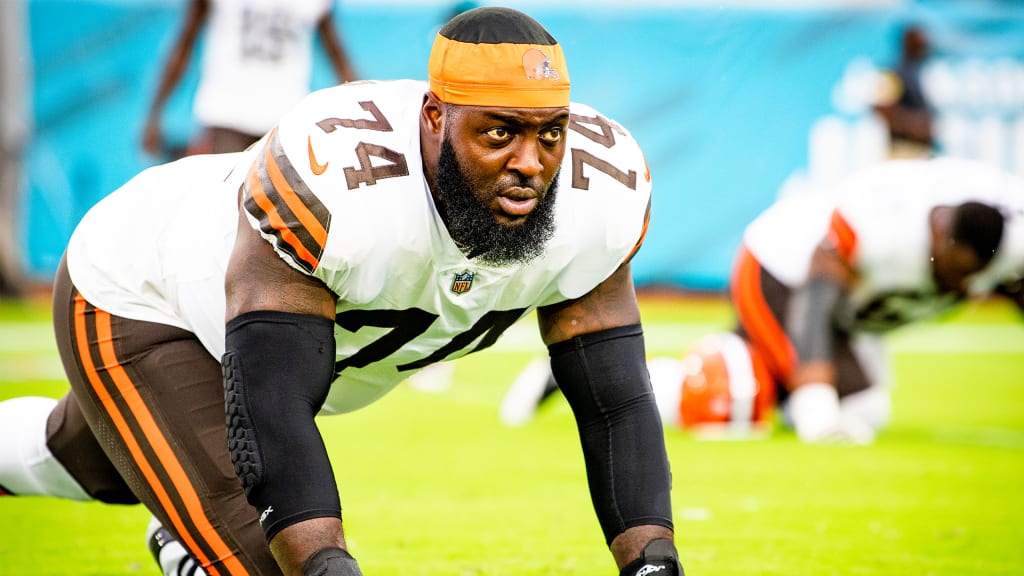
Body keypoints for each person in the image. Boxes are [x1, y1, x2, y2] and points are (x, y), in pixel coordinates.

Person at [0, 7, 682, 576]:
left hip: (260, 359)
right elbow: (273, 403)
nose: (530, 164)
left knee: (79, 460)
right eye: (499, 133)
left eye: (549, 135)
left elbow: (615, 401)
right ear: (435, 116)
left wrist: (654, 563)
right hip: (145, 294)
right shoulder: (337, 182)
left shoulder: (597, 196)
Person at [503, 157, 1024, 445]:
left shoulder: (1006, 242)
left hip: (850, 314)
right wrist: (815, 394)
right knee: (784, 403)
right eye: (958, 269)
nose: (965, 284)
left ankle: (588, 382)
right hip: (780, 269)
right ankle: (572, 380)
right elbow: (817, 298)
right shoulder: (885, 220)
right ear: (942, 238)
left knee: (861, 409)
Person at [142, 0, 359, 158]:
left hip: (283, 122)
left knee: (281, 214)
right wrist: (155, 112)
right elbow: (185, 44)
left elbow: (337, 55)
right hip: (228, 116)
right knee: (226, 208)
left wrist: (361, 117)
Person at [873, 25, 934, 158]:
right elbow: (880, 107)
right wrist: (913, 125)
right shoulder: (893, 72)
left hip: (921, 153)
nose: (924, 46)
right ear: (908, 43)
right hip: (902, 153)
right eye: (920, 42)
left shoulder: (918, 72)